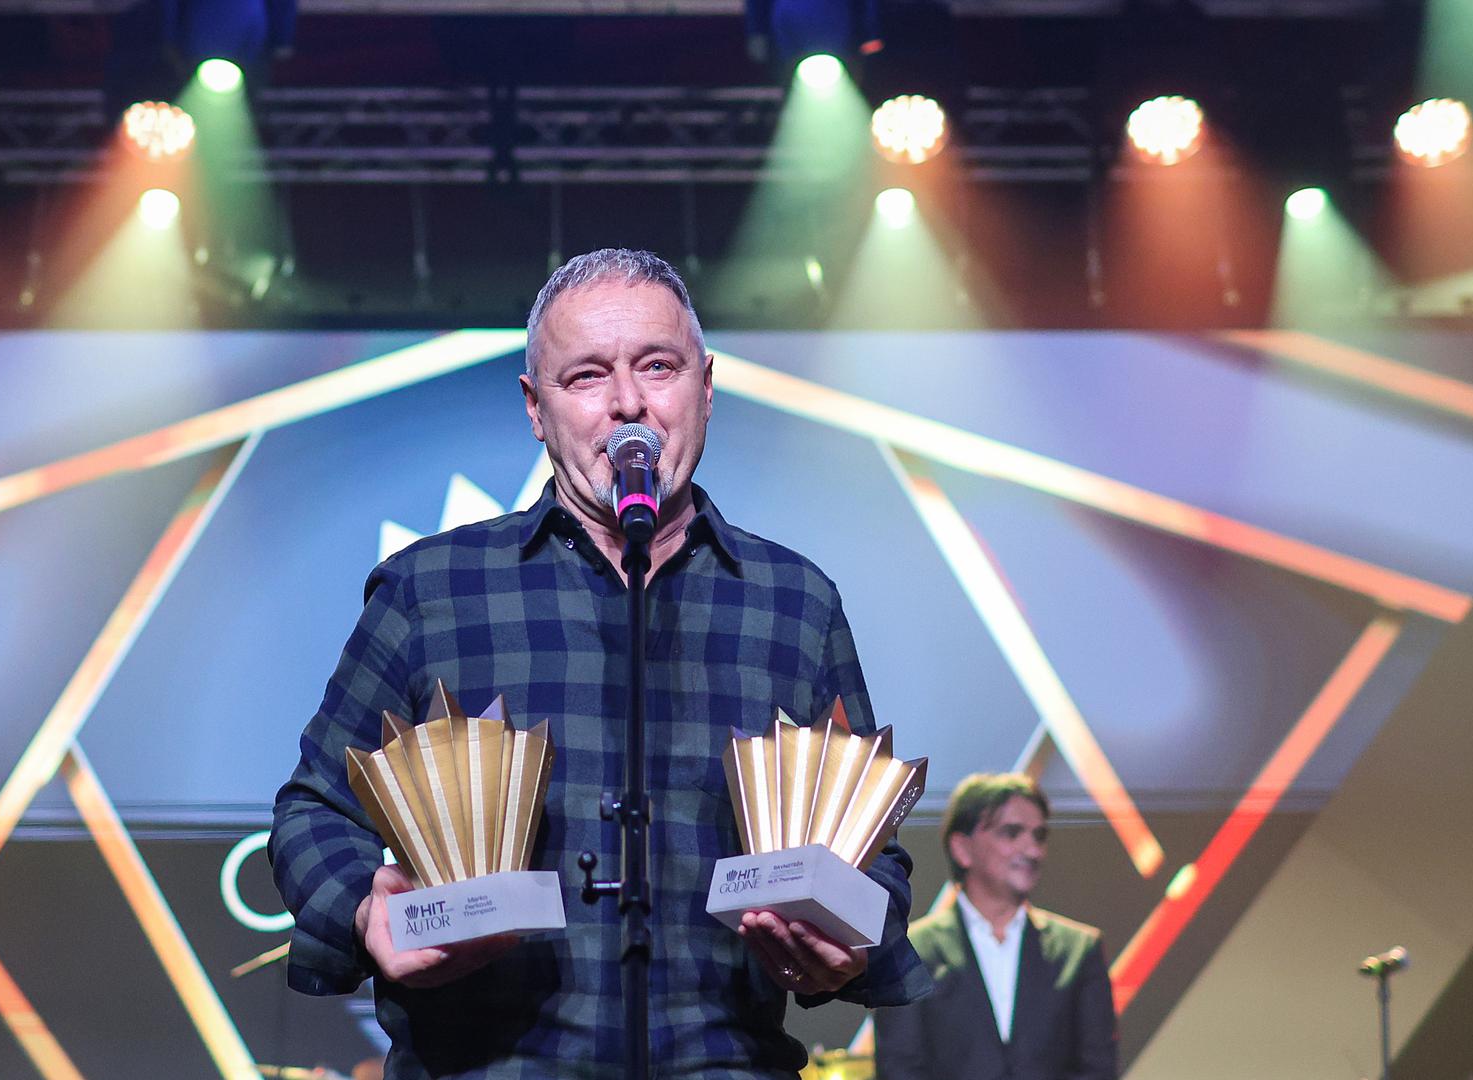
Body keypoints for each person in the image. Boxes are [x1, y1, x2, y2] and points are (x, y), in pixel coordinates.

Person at [269, 248, 932, 1079]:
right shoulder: (430, 589)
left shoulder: (793, 602)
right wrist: (365, 910)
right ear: (534, 408)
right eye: (586, 376)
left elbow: (871, 849)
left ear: (705, 387)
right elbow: (315, 810)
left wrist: (850, 941)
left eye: (657, 367)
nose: (627, 404)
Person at [873, 773, 1117, 1080]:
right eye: (1012, 833)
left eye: (1039, 836)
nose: (1033, 851)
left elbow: (1097, 1069)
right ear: (962, 848)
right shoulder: (910, 952)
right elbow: (899, 1069)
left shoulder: (1079, 950)